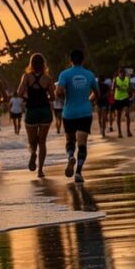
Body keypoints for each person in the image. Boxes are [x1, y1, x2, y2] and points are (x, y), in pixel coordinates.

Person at [55, 49, 99, 183]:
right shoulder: (89, 74)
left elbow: (59, 92)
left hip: (69, 113)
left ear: (70, 60)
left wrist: (63, 94)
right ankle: (79, 172)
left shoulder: (64, 74)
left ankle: (70, 157)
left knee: (70, 141)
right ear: (83, 60)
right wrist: (88, 100)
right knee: (82, 143)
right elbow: (97, 92)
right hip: (85, 112)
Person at [17, 53, 54, 179]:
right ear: (43, 64)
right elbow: (52, 97)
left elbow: (19, 92)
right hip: (45, 111)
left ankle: (33, 152)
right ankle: (40, 170)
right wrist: (45, 98)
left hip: (31, 110)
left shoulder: (26, 76)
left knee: (32, 141)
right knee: (42, 142)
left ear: (31, 64)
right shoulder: (47, 79)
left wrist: (27, 99)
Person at [112, 68, 133, 138]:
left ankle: (128, 131)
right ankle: (119, 132)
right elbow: (112, 89)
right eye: (121, 74)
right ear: (118, 74)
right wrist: (115, 86)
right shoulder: (116, 79)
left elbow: (130, 88)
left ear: (125, 74)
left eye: (123, 73)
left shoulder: (127, 79)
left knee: (127, 114)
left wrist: (129, 91)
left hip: (125, 98)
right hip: (117, 98)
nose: (122, 75)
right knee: (118, 115)